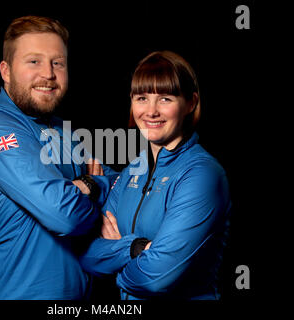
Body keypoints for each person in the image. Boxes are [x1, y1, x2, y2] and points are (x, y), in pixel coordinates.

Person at [0, 15, 116, 300]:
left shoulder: (62, 130)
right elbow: (65, 216)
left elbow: (118, 185)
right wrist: (93, 183)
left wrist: (92, 185)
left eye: (57, 62)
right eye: (34, 61)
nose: (48, 73)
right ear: (6, 71)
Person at [79, 51, 231, 300]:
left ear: (190, 103)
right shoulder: (133, 171)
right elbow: (86, 254)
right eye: (141, 98)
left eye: (165, 99)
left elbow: (155, 279)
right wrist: (136, 247)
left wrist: (115, 261)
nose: (151, 111)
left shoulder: (202, 175)